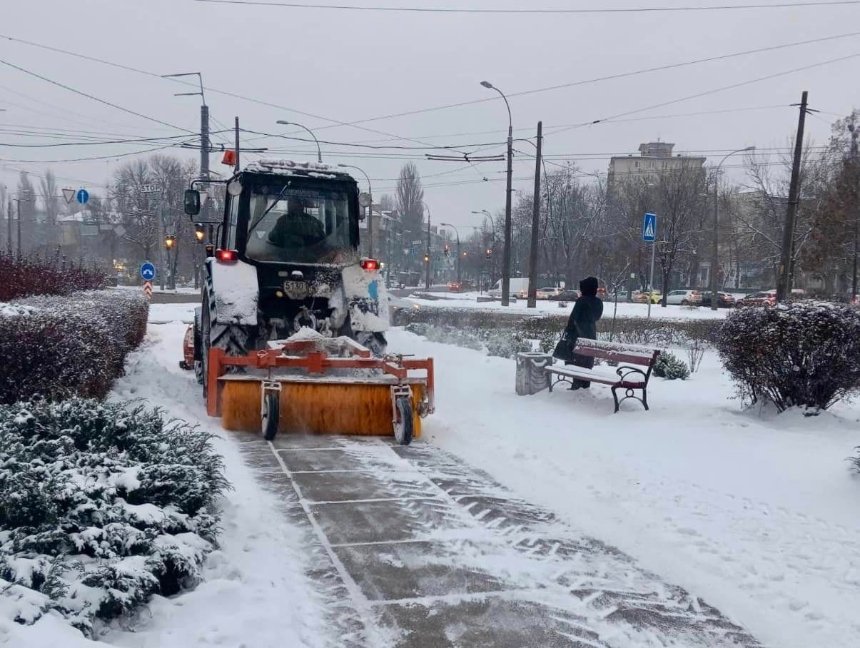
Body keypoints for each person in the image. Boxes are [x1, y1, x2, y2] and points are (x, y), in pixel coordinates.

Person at [564, 276, 603, 389]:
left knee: (575, 360)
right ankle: (585, 384)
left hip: (577, 335)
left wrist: (568, 330)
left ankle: (576, 385)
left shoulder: (581, 301)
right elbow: (597, 317)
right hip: (591, 334)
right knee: (587, 360)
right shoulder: (598, 302)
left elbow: (573, 318)